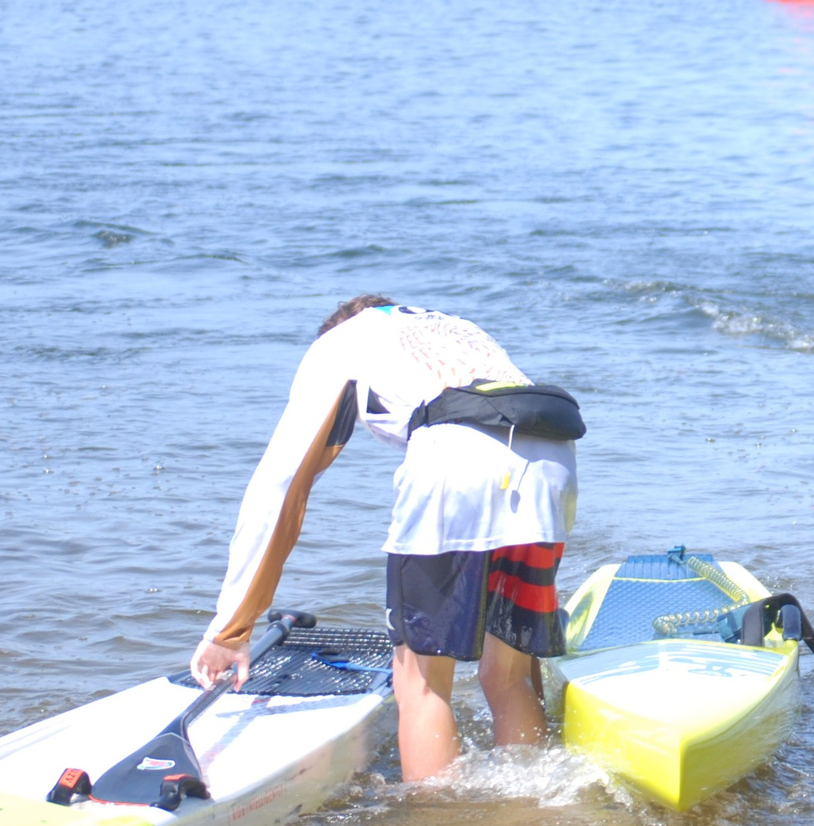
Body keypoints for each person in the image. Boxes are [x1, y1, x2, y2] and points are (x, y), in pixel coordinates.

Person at [192, 297, 585, 781]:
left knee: (421, 684)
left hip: (459, 458)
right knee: (507, 674)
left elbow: (279, 483)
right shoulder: (454, 324)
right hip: (551, 461)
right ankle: (528, 805)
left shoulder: (338, 343)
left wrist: (230, 631)